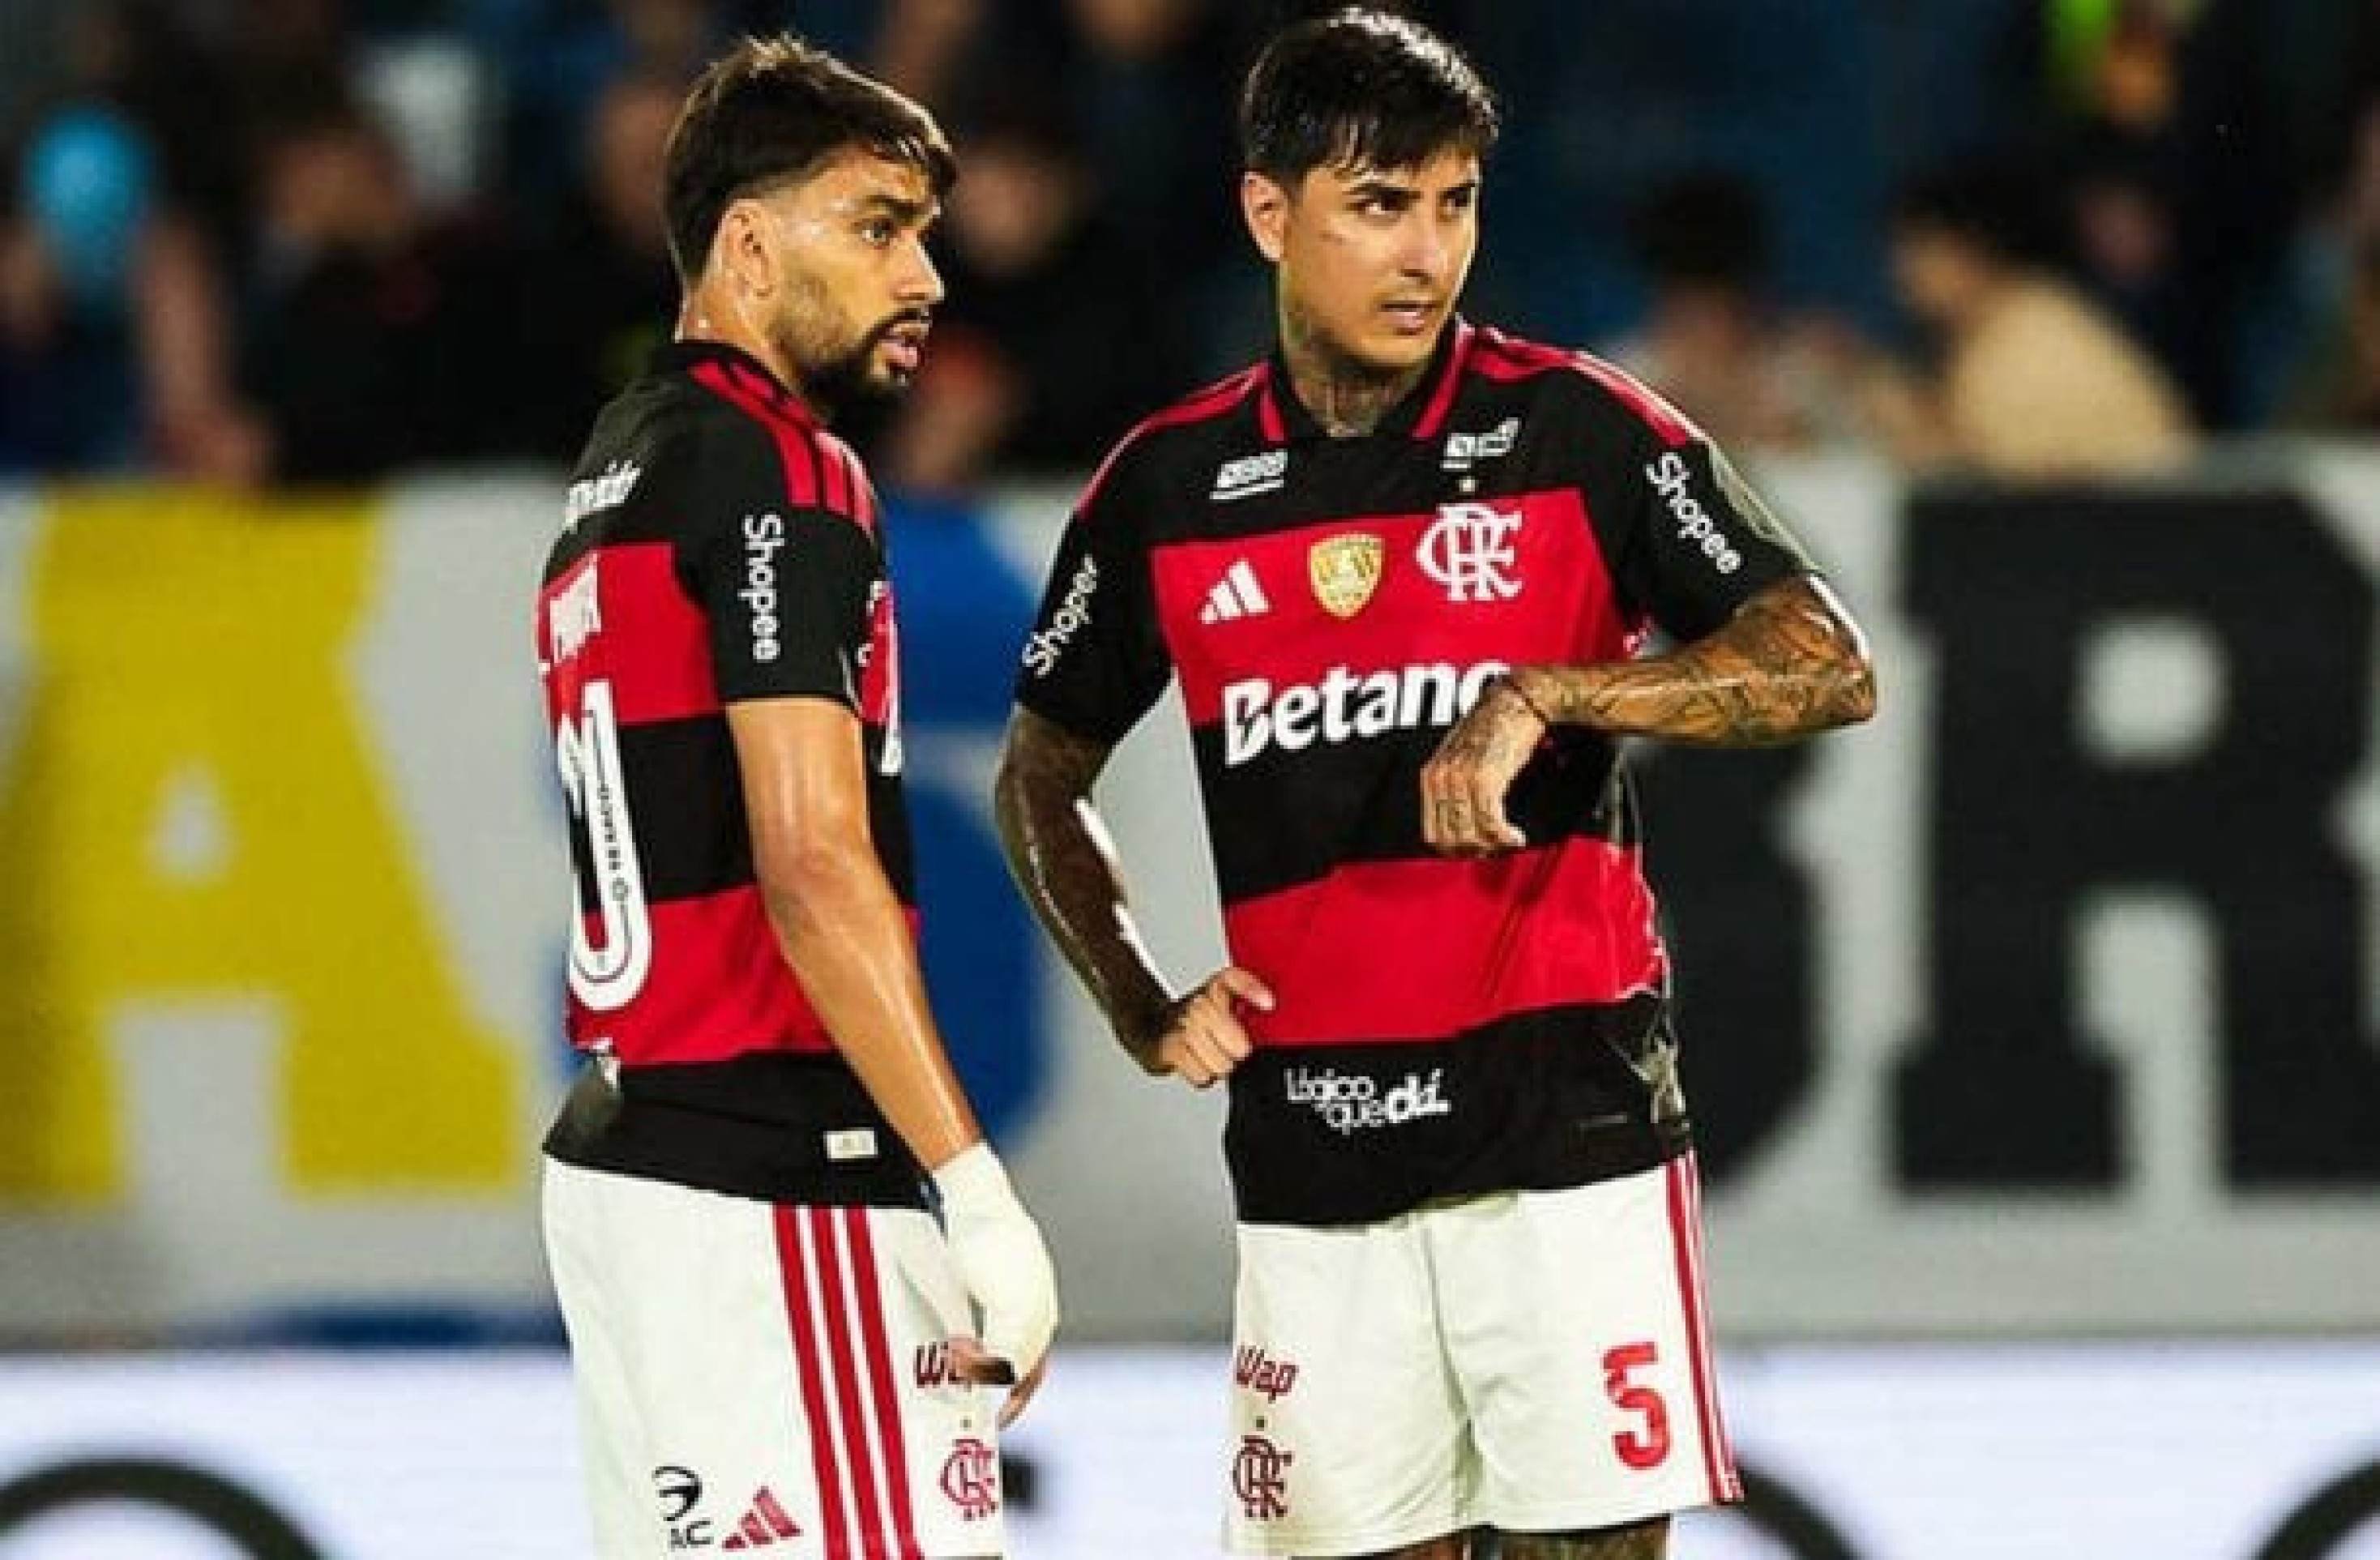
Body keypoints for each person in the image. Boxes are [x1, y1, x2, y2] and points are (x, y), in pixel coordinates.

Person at [992, 11, 1873, 1560]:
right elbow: (1039, 773)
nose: (1425, 254)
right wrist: (1136, 995)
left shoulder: (1575, 430)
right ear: (1269, 213)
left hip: (1568, 1132)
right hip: (1311, 1146)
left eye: (1453, 202)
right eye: (1377, 206)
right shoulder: (1165, 488)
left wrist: (1558, 687)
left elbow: (1825, 657)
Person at [534, 36, 1057, 1560]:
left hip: (629, 1171)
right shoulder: (781, 472)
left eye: (927, 235)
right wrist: (974, 1193)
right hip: (776, 1182)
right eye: (879, 226)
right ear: (750, 245)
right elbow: (813, 863)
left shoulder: (616, 468)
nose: (927, 279)